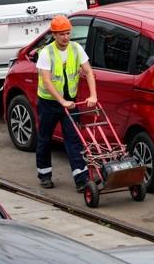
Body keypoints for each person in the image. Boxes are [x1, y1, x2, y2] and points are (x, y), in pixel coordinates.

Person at [35, 15, 97, 192]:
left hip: (70, 103)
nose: (66, 37)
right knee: (45, 139)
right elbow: (47, 81)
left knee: (74, 139)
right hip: (49, 103)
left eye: (68, 33)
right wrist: (61, 100)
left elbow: (89, 72)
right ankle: (45, 175)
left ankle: (81, 179)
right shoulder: (46, 53)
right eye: (62, 34)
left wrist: (93, 95)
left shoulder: (76, 49)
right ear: (54, 35)